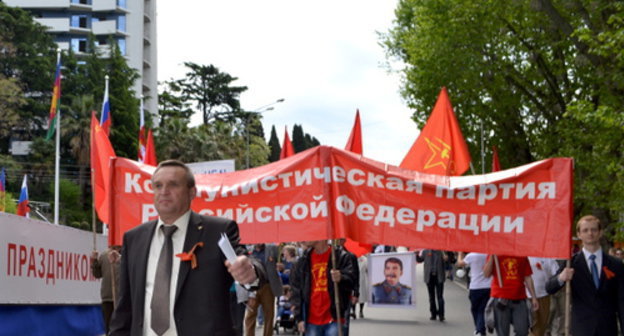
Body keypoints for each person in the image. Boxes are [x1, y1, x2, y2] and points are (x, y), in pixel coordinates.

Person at [109, 160, 264, 336]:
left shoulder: (217, 230)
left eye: (173, 184)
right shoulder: (134, 238)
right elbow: (125, 306)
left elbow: (248, 264)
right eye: (158, 185)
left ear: (192, 192)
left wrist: (250, 271)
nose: (164, 191)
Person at [546, 215, 624, 336]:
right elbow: (549, 288)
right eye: (585, 230)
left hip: (608, 327)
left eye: (593, 230)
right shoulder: (571, 263)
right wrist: (561, 278)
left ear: (600, 232)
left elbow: (621, 300)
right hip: (582, 327)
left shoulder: (616, 264)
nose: (590, 233)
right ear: (579, 234)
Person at [290, 240, 355, 336]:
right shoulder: (302, 262)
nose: (304, 238)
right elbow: (296, 291)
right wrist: (299, 318)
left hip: (335, 318)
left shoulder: (340, 256)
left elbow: (352, 281)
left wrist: (341, 277)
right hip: (311, 320)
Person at [483, 254, 538, 336]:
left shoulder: (521, 255)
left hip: (519, 298)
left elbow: (527, 277)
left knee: (523, 331)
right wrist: (491, 256)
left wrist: (534, 297)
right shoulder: (494, 254)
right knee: (502, 332)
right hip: (500, 298)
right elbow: (486, 274)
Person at [244, 243, 283, 336]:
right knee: (250, 315)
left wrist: (281, 266)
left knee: (269, 315)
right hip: (253, 286)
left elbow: (282, 262)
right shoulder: (249, 252)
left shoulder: (272, 248)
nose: (259, 242)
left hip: (268, 285)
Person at [456, 252, 490, 336]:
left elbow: (459, 263)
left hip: (475, 286)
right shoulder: (489, 255)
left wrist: (460, 254)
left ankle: (479, 330)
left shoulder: (471, 255)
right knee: (482, 309)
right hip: (488, 286)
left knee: (475, 309)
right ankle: (480, 329)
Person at [91, 245, 121, 334]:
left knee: (121, 325)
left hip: (122, 298)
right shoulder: (104, 255)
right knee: (108, 326)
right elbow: (97, 274)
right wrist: (94, 261)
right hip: (108, 297)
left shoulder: (125, 254)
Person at [526, 257, 558, 336]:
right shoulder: (525, 257)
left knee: (542, 325)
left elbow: (556, 274)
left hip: (544, 296)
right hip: (527, 296)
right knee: (531, 324)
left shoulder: (548, 258)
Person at [416, 249, 446, 321]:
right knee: (431, 296)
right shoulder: (425, 251)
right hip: (429, 277)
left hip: (439, 276)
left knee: (440, 296)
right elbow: (420, 260)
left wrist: (447, 257)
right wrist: (416, 255)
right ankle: (433, 314)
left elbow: (450, 260)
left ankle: (441, 315)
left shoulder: (442, 251)